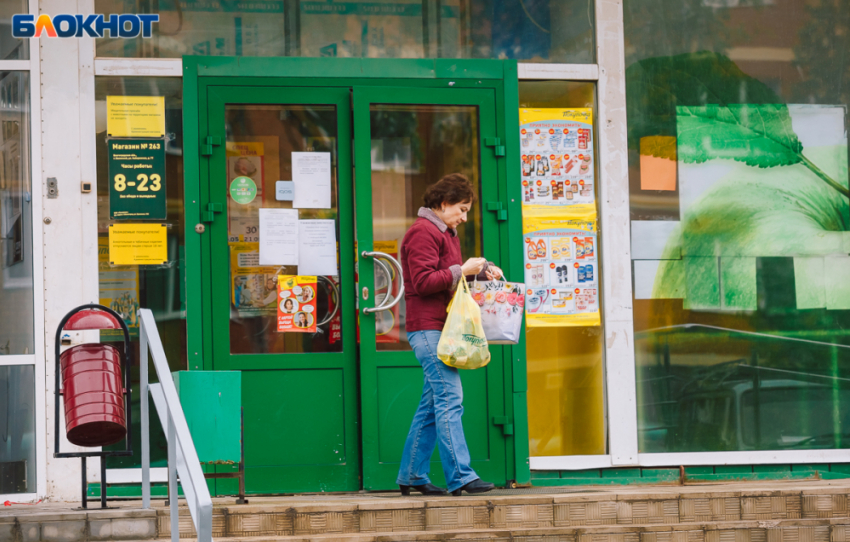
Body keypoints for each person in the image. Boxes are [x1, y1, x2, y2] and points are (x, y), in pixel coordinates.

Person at [396, 173, 503, 497]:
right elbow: (425, 281)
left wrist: (481, 271)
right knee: (450, 399)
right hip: (426, 327)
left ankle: (412, 475)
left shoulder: (444, 232)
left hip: (438, 327)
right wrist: (463, 270)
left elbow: (448, 279)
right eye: (462, 208)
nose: (465, 217)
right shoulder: (422, 233)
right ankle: (461, 476)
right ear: (442, 204)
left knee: (432, 404)